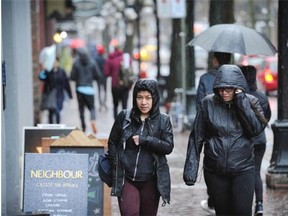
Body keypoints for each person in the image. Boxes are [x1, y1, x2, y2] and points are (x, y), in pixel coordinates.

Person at [183, 64, 267, 216]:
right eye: (221, 88)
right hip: (215, 170)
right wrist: (191, 169)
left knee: (242, 212)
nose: (224, 92)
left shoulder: (251, 101)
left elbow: (255, 130)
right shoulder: (208, 103)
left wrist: (241, 101)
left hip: (243, 169)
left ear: (238, 87)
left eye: (229, 88)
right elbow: (197, 137)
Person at [107, 79, 174, 215]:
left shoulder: (163, 121)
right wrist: (116, 163)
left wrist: (146, 140)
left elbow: (168, 147)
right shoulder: (125, 117)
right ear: (134, 98)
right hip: (127, 178)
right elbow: (112, 141)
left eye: (148, 98)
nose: (144, 102)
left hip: (151, 181)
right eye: (140, 97)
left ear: (154, 98)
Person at [196, 52, 231, 214]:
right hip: (231, 134)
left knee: (211, 165)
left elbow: (199, 106)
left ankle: (214, 199)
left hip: (211, 132)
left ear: (216, 60)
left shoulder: (205, 78)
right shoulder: (235, 78)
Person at [240, 65, 271, 216]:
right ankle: (259, 204)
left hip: (246, 141)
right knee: (256, 172)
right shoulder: (262, 96)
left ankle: (244, 204)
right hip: (260, 141)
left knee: (245, 174)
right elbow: (267, 118)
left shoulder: (241, 97)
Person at [70, 48, 99, 134]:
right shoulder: (92, 62)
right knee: (92, 108)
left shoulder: (76, 63)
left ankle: (83, 127)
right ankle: (93, 120)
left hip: (79, 89)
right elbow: (98, 75)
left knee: (81, 109)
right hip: (89, 89)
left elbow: (72, 77)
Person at [39, 57, 73, 124]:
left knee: (58, 111)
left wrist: (70, 94)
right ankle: (51, 127)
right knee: (51, 112)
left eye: (55, 62)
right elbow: (41, 77)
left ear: (58, 62)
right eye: (53, 62)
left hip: (59, 94)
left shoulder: (62, 72)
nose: (54, 64)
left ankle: (58, 126)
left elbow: (66, 83)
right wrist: (43, 70)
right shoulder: (48, 71)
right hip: (50, 94)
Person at [104, 42, 129, 119]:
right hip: (125, 85)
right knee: (125, 106)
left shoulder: (110, 59)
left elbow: (106, 73)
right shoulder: (126, 58)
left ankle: (116, 122)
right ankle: (124, 123)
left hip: (115, 85)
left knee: (115, 105)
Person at [94, 44, 108, 111]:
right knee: (105, 90)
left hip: (98, 77)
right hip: (104, 77)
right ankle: (104, 103)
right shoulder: (105, 59)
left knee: (99, 91)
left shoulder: (96, 59)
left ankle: (100, 104)